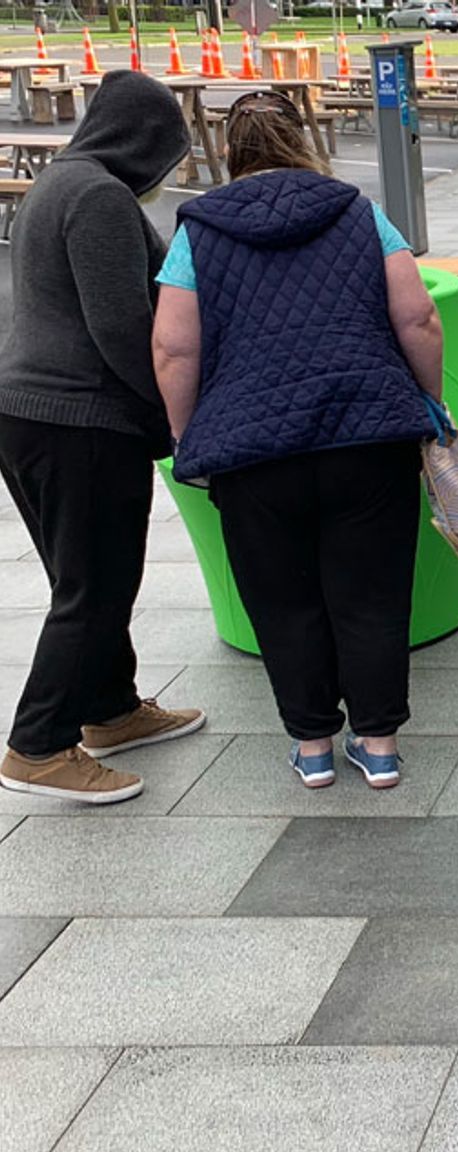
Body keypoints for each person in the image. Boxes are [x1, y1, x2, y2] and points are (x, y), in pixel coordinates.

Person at [152, 91, 443, 791]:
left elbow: (173, 349)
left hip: (252, 452)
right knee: (371, 595)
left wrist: (189, 435)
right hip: (367, 436)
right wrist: (427, 403)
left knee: (283, 601)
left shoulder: (198, 230)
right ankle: (377, 747)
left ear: (229, 151)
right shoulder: (357, 211)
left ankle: (313, 748)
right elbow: (419, 317)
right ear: (304, 140)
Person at [0, 71, 204, 805]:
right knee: (97, 584)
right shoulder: (100, 199)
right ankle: (39, 743)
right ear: (142, 141)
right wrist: (171, 413)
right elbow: (122, 326)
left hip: (29, 415)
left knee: (84, 575)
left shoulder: (60, 182)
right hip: (79, 420)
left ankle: (110, 709)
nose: (167, 169)